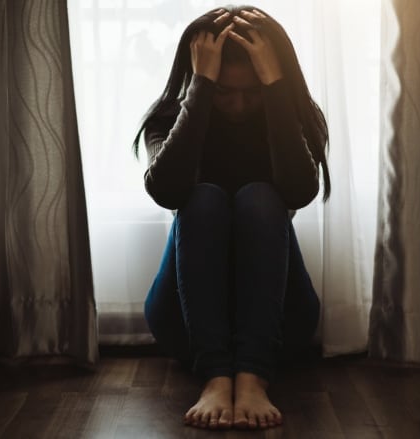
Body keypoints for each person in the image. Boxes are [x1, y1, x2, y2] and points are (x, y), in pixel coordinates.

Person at [133, 5, 331, 430]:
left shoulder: (294, 115)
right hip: (184, 324)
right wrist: (201, 87)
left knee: (260, 198)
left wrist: (276, 90)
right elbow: (165, 190)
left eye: (252, 90)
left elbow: (300, 190)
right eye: (224, 91)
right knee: (202, 199)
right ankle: (215, 377)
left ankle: (254, 375)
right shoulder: (169, 120)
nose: (238, 105)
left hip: (281, 324)